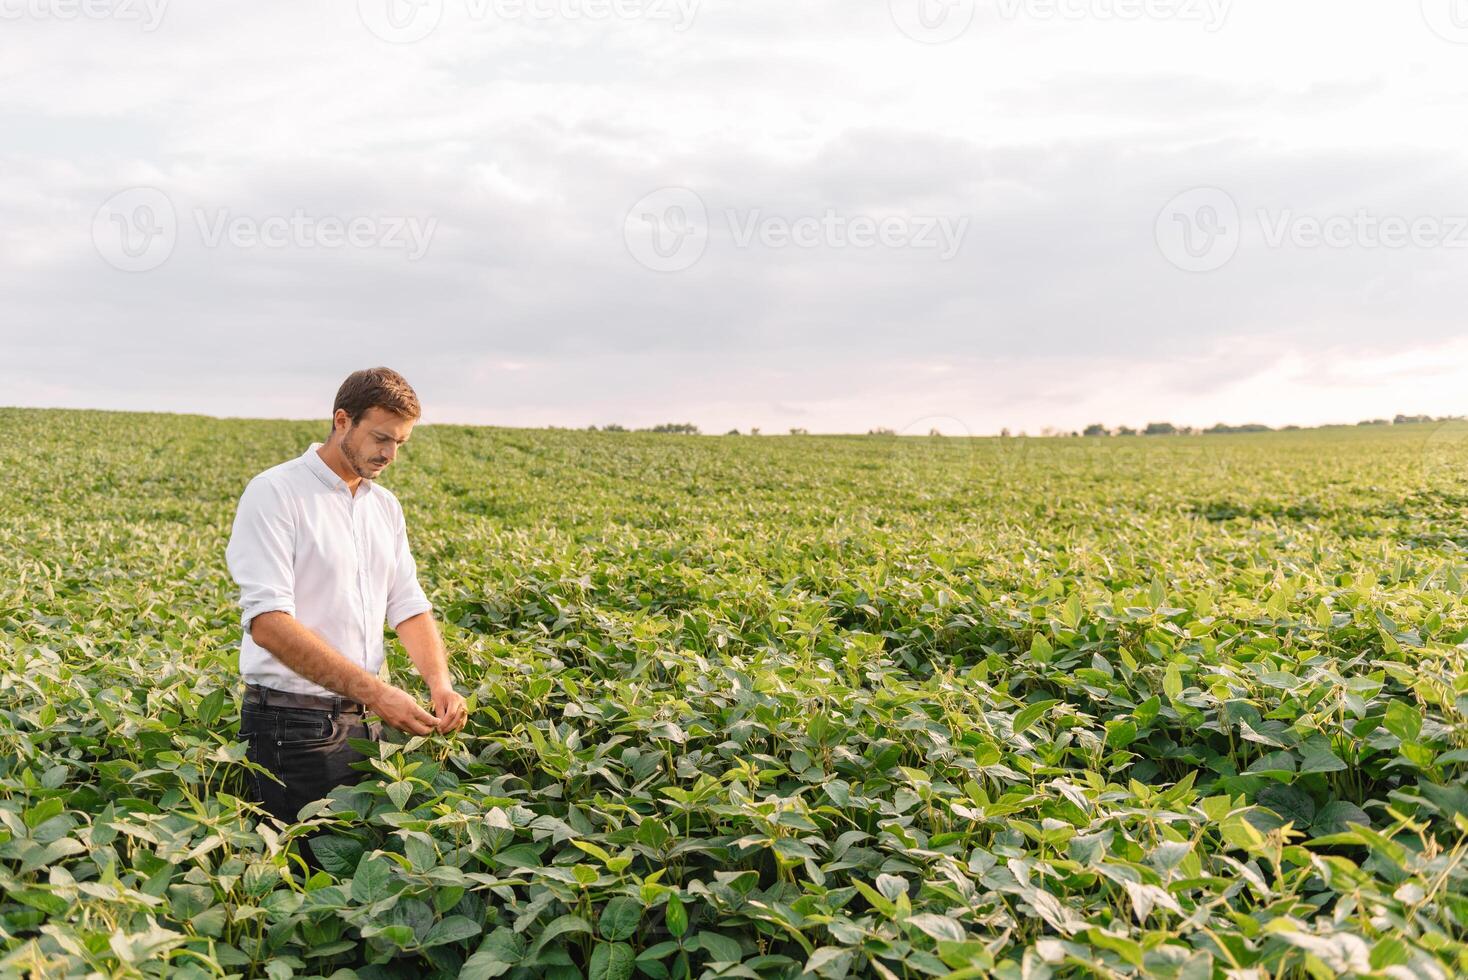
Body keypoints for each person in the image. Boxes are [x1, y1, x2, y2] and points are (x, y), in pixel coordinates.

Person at [225, 367, 467, 862]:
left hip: (365, 727)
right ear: (341, 420)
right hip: (290, 726)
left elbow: (408, 603)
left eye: (400, 443)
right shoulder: (276, 493)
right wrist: (377, 692)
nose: (389, 455)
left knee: (358, 874)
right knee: (304, 881)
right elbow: (269, 624)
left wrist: (439, 684)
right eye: (380, 437)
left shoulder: (384, 508)